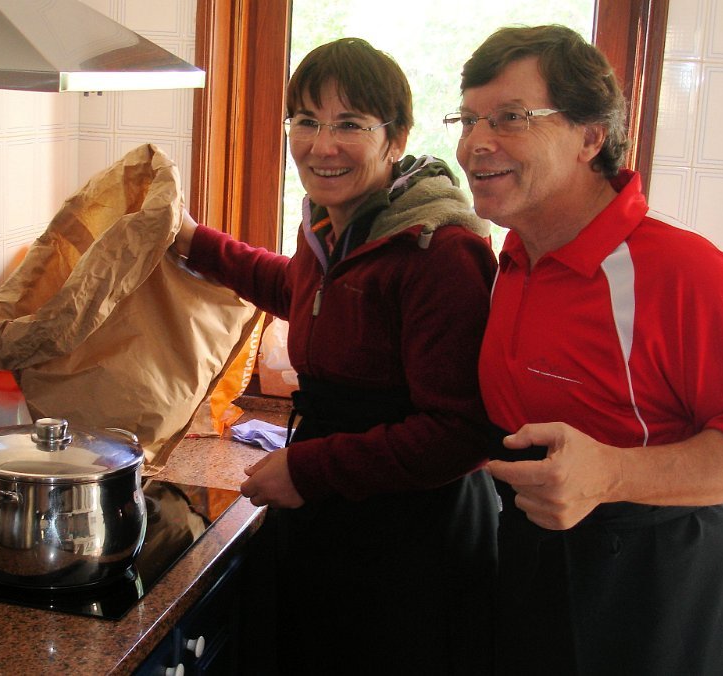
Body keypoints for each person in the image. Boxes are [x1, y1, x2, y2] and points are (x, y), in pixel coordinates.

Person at [451, 24, 723, 675]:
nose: (476, 141)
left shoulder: (683, 272)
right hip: (536, 565)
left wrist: (612, 474)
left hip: (660, 586)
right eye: (468, 118)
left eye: (510, 117)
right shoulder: (512, 260)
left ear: (591, 137)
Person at [174, 37, 498, 673]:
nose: (322, 146)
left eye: (350, 124)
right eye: (306, 121)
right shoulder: (339, 224)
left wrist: (307, 469)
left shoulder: (439, 250)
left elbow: (459, 434)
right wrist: (194, 242)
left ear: (396, 137)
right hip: (339, 511)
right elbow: (302, 291)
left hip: (412, 540)